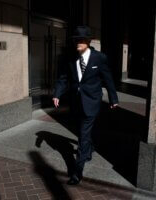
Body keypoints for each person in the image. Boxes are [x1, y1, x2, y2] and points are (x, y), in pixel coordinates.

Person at [52, 26, 119, 185]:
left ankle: (77, 171)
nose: (77, 43)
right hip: (76, 102)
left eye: (80, 40)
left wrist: (113, 98)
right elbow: (63, 78)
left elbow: (108, 79)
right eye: (75, 40)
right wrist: (57, 94)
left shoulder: (99, 58)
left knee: (83, 135)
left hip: (92, 102)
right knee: (81, 131)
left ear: (88, 41)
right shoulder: (70, 58)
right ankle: (89, 150)